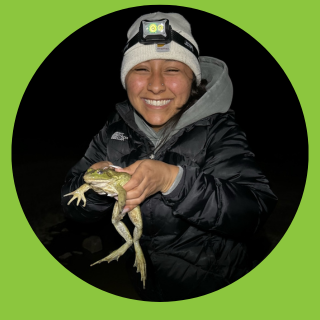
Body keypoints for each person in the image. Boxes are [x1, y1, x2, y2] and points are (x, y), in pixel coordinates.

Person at [61, 12, 277, 301]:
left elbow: (255, 211)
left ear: (193, 78)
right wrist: (101, 189)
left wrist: (173, 181)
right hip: (145, 282)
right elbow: (72, 205)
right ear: (125, 78)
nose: (155, 84)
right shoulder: (113, 130)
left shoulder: (219, 130)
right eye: (140, 69)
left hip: (214, 285)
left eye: (173, 70)